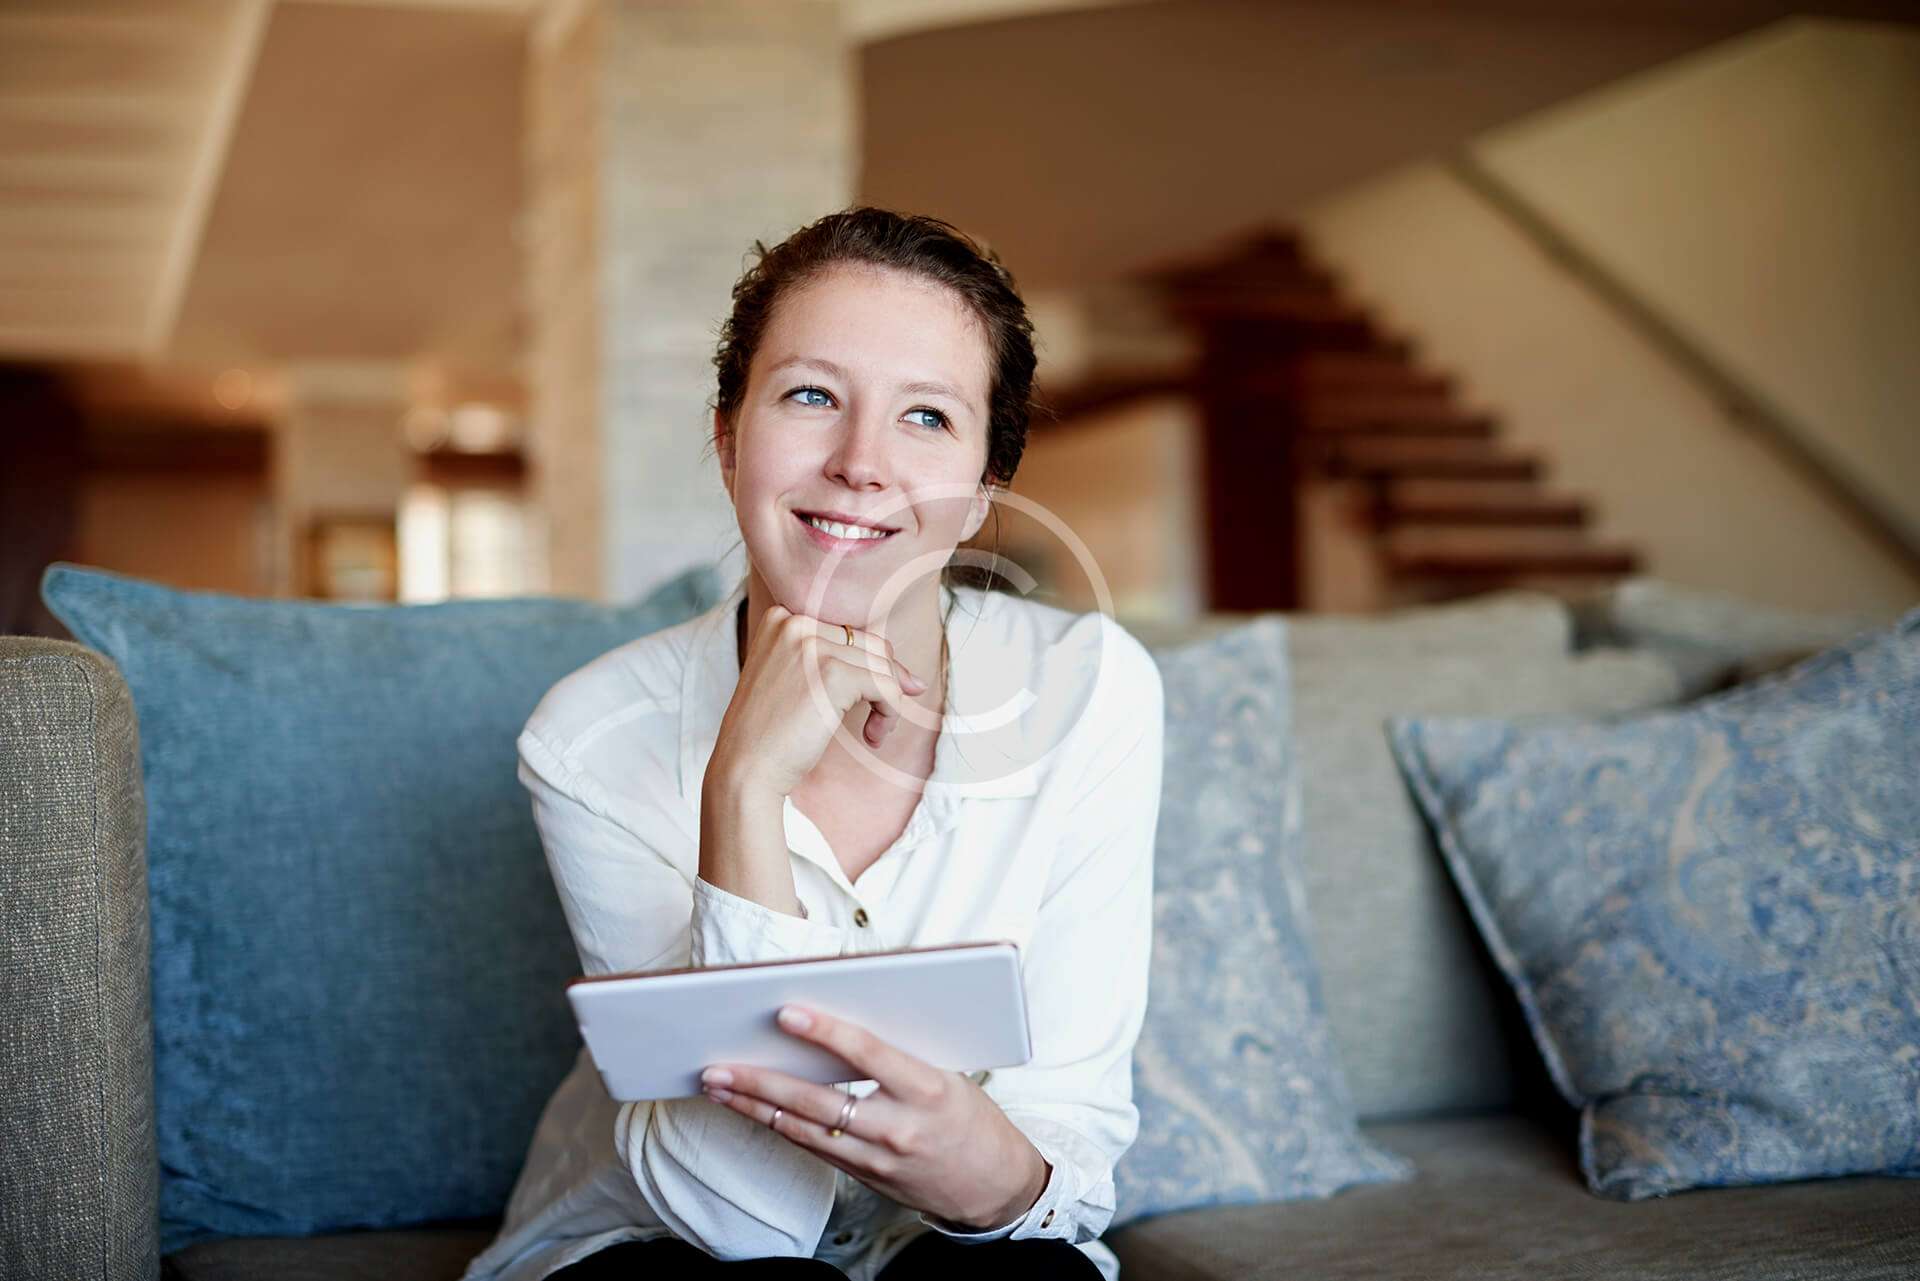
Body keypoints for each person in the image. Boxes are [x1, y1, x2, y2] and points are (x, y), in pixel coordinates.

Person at [460, 207, 1164, 1281]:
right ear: (728, 439)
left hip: (952, 1240)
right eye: (811, 396)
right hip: (661, 1247)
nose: (861, 463)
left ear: (983, 488)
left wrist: (990, 1175)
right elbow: (738, 1224)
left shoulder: (1091, 687)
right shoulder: (589, 739)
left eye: (926, 416)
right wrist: (742, 788)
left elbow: (1068, 1134)